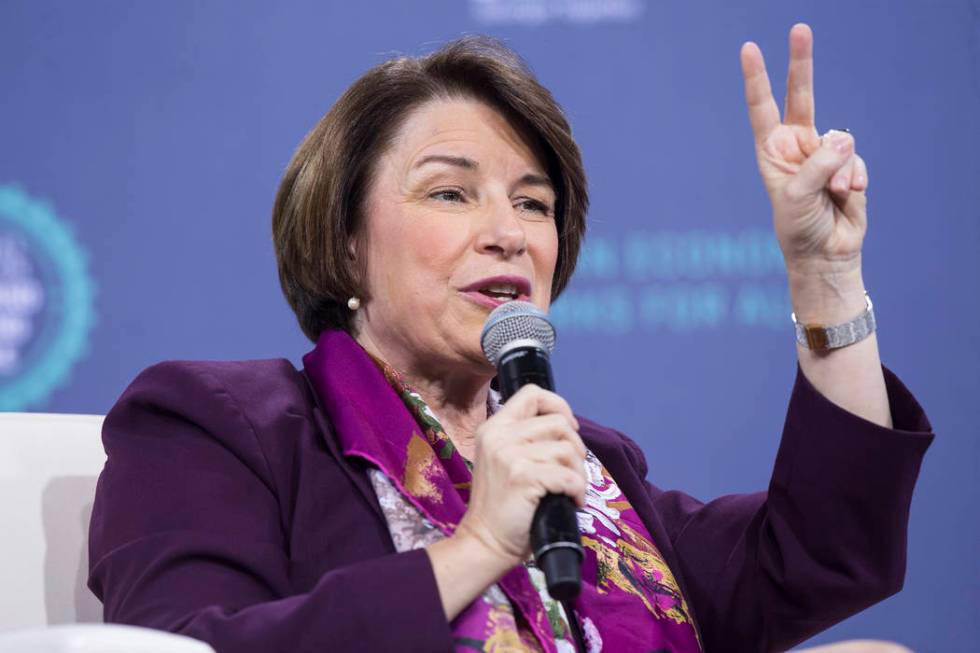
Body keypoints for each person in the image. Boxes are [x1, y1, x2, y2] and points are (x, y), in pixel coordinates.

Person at [87, 25, 933, 653]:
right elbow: (180, 645)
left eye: (533, 204)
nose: (508, 232)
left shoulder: (588, 466)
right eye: (451, 195)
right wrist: (480, 547)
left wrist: (825, 274)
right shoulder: (224, 425)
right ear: (347, 239)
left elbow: (822, 553)